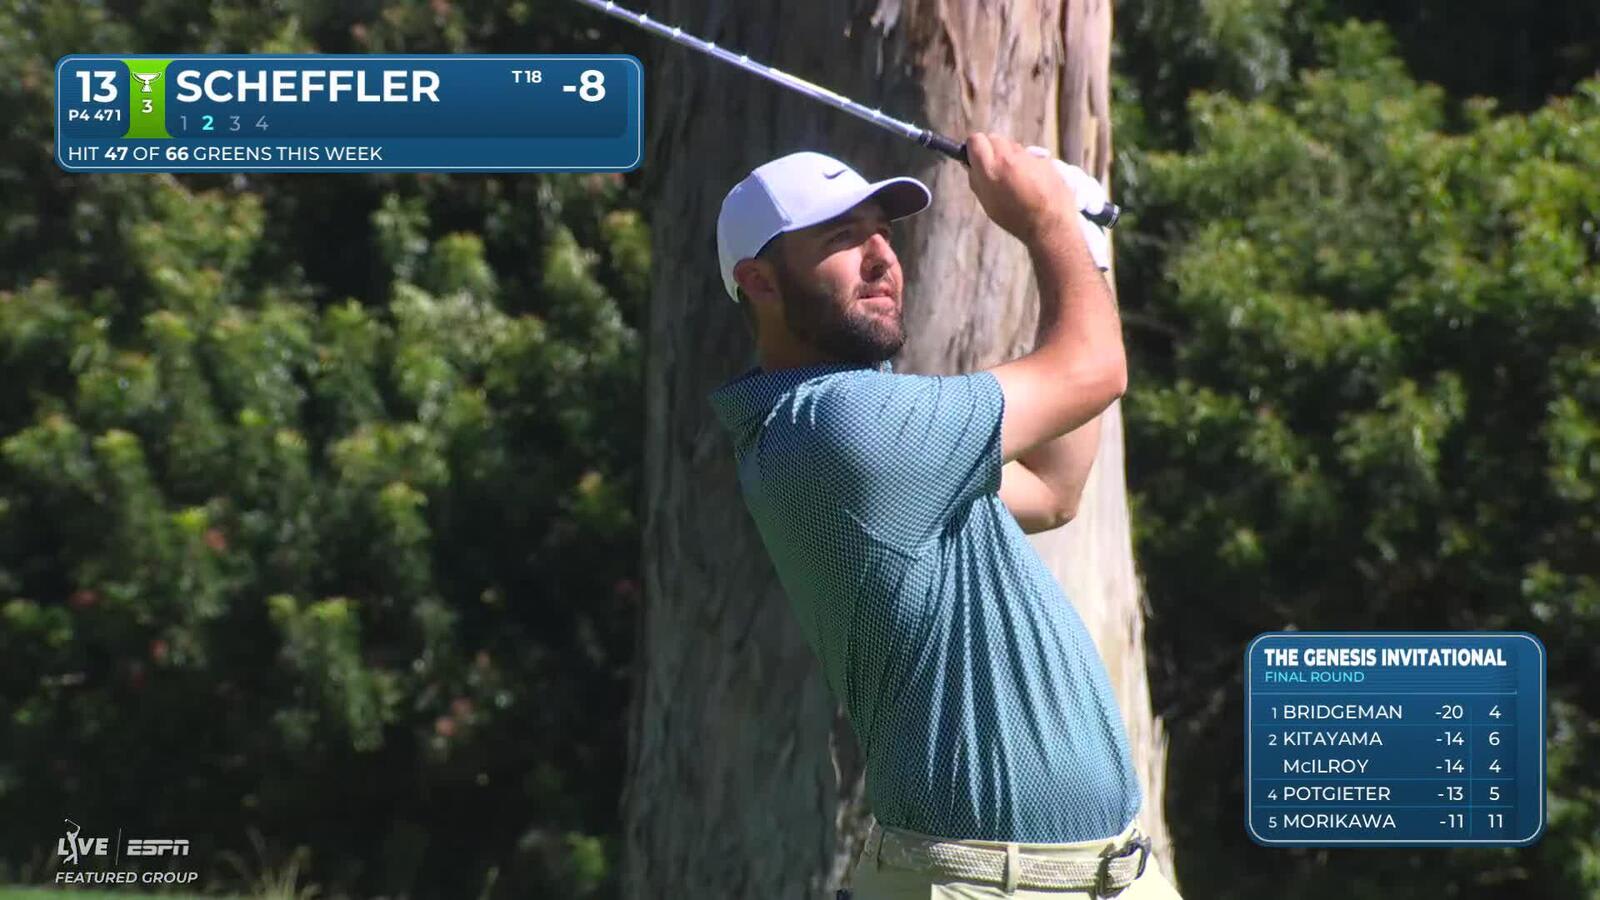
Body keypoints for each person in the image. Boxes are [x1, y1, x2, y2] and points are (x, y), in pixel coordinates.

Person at [708, 134, 1183, 899]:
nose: (879, 258)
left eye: (880, 234)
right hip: (980, 883)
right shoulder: (838, 425)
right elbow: (1094, 369)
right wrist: (1051, 225)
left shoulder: (867, 436)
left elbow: (1054, 488)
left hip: (1112, 873)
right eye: (840, 239)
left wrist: (1084, 237)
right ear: (759, 280)